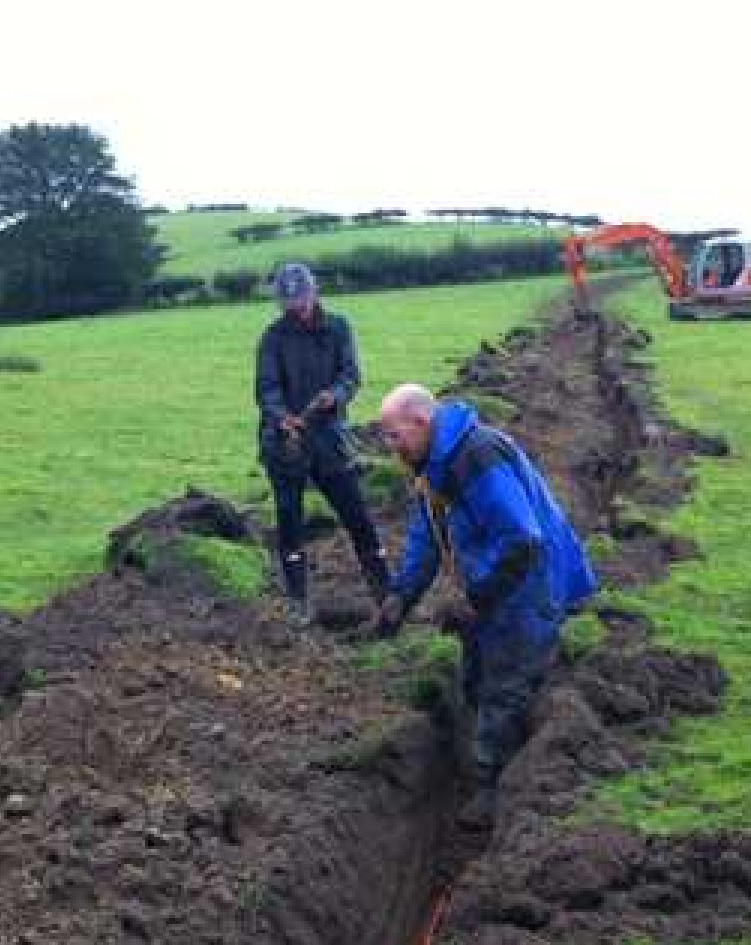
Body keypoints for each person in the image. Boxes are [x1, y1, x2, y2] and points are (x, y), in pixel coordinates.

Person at [373, 383, 597, 828]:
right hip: (495, 583)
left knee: (506, 687)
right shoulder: (431, 463)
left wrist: (477, 599)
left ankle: (492, 788)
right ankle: (473, 761)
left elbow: (523, 540)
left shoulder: (476, 457)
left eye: (393, 434)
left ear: (420, 422)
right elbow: (426, 535)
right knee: (476, 678)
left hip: (530, 586)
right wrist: (401, 597)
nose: (389, 446)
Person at [255, 262, 392, 626]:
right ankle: (298, 601)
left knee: (356, 514)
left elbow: (351, 374)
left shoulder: (338, 328)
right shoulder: (272, 337)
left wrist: (336, 396)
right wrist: (282, 417)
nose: (295, 307)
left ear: (314, 292)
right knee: (289, 522)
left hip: (329, 437)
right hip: (285, 444)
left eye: (300, 298)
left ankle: (387, 592)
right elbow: (266, 388)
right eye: (288, 302)